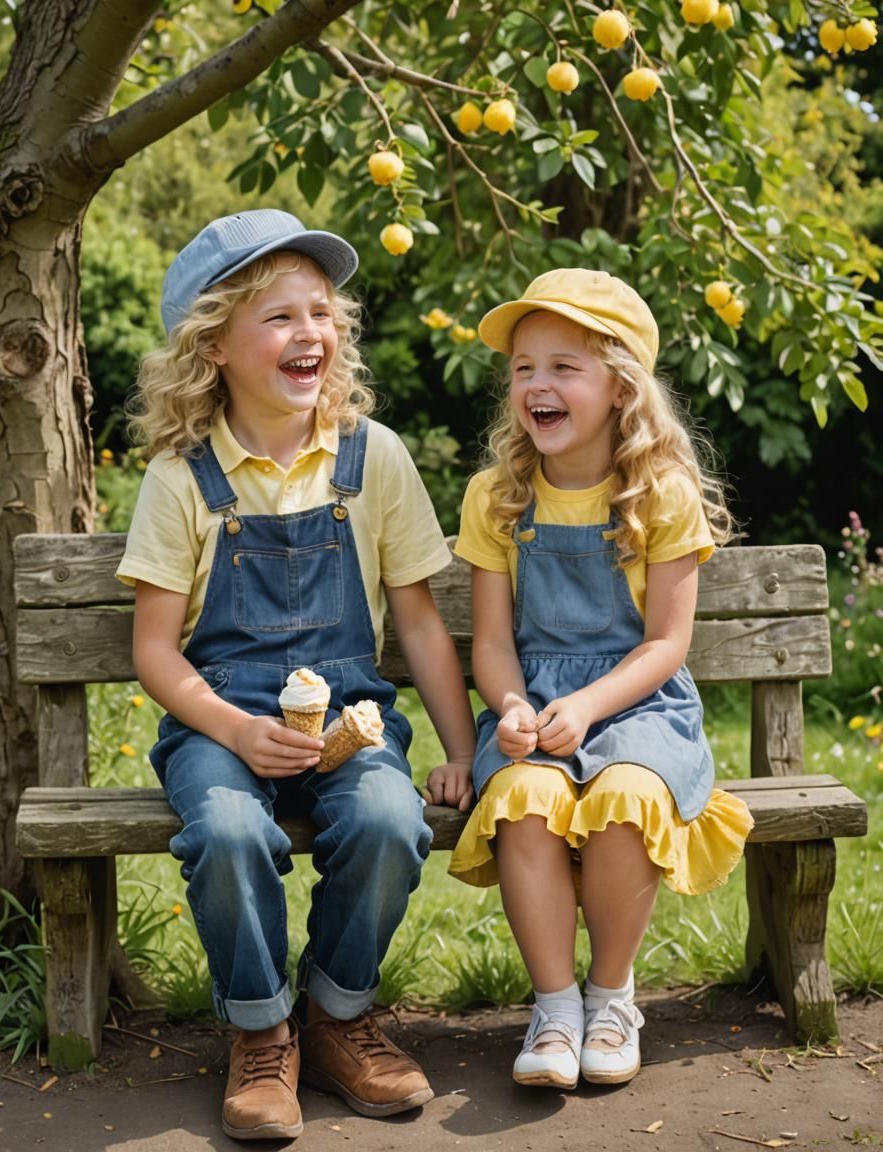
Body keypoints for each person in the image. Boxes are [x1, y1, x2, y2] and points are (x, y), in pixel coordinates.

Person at [116, 209, 476, 1141]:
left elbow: (419, 621)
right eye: (278, 317)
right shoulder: (182, 478)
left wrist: (461, 749)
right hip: (219, 724)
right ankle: (261, 1032)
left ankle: (337, 1016)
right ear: (214, 345)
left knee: (390, 819)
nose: (309, 331)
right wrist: (234, 730)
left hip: (352, 715)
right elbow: (155, 648)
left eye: (321, 312)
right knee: (228, 831)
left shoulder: (372, 456)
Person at [448, 269, 754, 1091]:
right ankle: (554, 1009)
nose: (536, 385)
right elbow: (492, 643)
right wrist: (511, 705)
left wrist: (586, 706)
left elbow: (665, 645)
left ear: (621, 386)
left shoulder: (660, 496)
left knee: (626, 796)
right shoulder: (497, 496)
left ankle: (612, 998)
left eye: (563, 367)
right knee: (526, 798)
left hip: (639, 704)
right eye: (523, 368)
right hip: (535, 705)